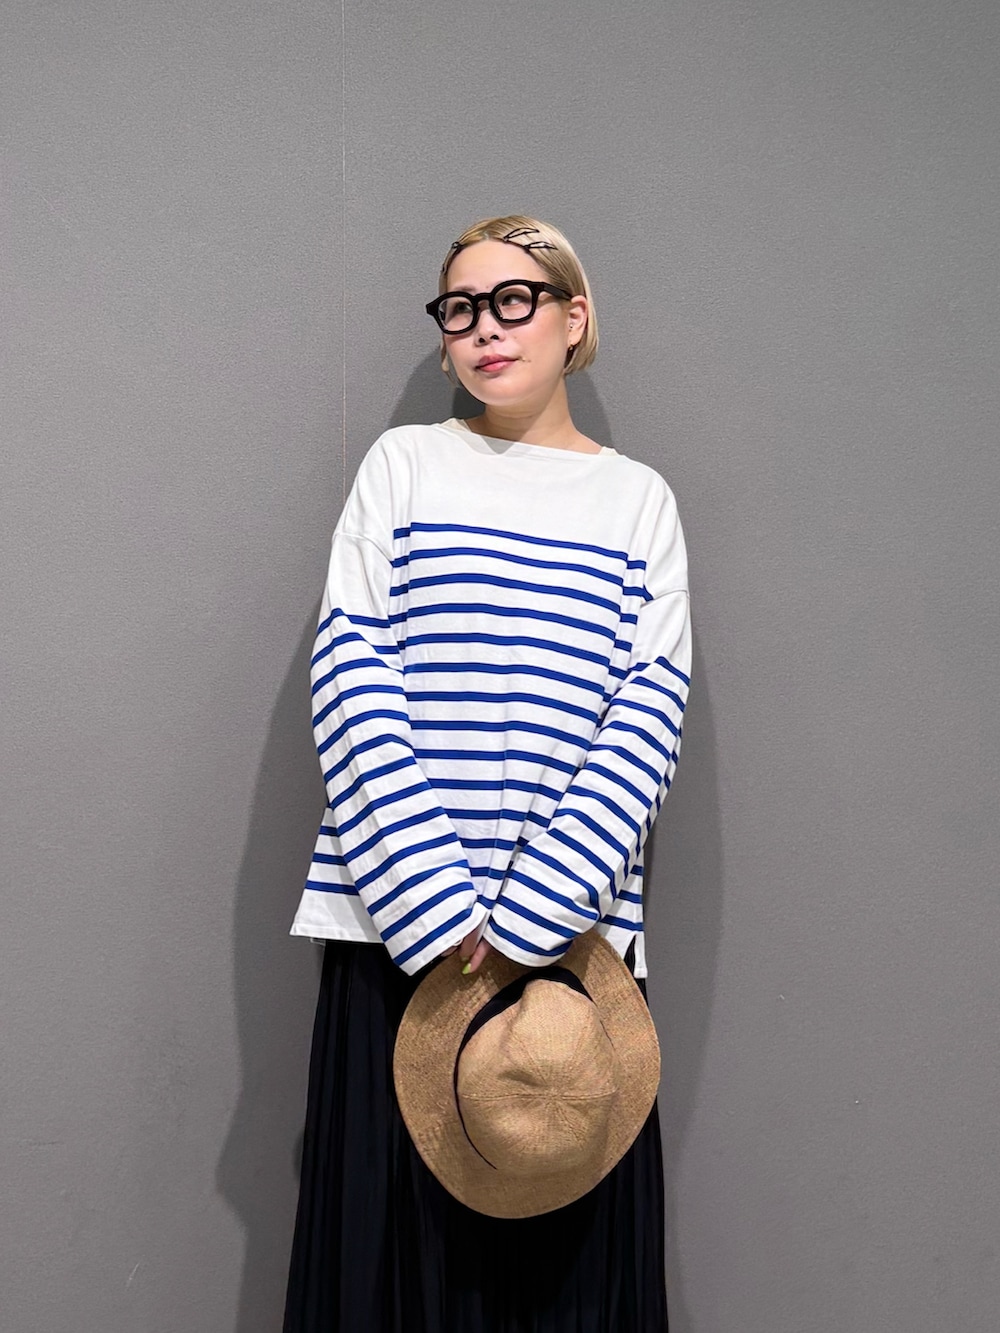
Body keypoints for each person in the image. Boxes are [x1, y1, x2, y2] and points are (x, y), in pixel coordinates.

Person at [282, 214, 691, 1332]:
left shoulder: (638, 502)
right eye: (460, 308)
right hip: (398, 937)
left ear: (574, 317)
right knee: (389, 1269)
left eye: (515, 299)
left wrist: (531, 917)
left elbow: (647, 715)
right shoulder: (403, 466)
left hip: (570, 957)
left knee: (555, 1278)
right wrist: (439, 908)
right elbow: (350, 674)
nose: (484, 328)